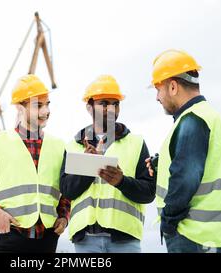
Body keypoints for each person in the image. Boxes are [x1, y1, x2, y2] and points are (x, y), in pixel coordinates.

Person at [146, 49, 221, 253]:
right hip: (216, 235)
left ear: (173, 86)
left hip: (194, 234)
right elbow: (204, 168)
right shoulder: (210, 117)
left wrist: (167, 223)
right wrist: (163, 166)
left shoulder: (192, 121)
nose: (157, 97)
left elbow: (186, 178)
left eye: (158, 90)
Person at [0, 74, 70, 253]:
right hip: (10, 235)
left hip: (47, 237)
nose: (45, 111)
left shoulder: (59, 146)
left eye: (47, 104)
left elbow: (66, 190)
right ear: (20, 107)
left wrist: (63, 217)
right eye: (38, 105)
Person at [60, 75, 155, 253]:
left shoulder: (136, 143)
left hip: (125, 240)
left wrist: (122, 182)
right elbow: (67, 191)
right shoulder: (73, 146)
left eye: (115, 103)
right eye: (104, 103)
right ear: (89, 107)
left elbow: (149, 193)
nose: (111, 109)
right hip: (85, 241)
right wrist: (88, 168)